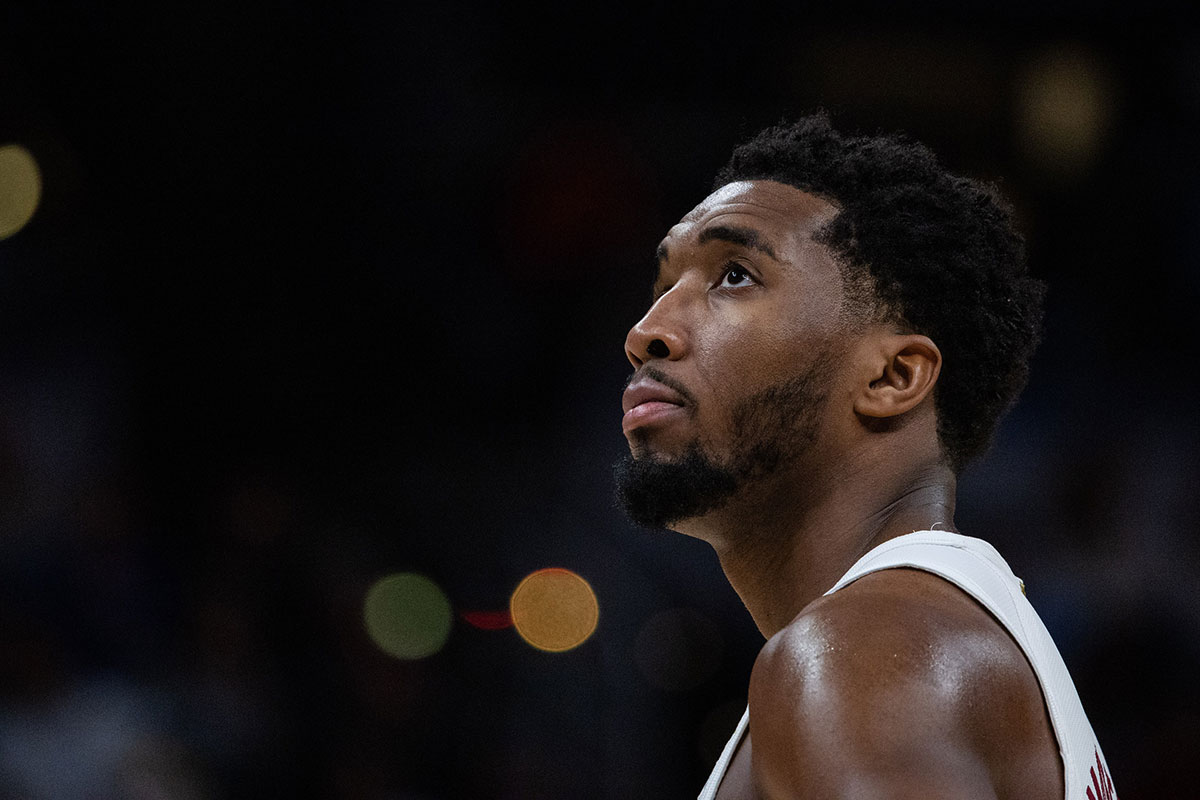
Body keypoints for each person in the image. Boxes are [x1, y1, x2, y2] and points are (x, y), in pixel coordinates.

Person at [613, 113, 1116, 800]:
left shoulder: (869, 653)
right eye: (661, 287)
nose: (647, 333)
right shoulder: (918, 642)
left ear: (892, 377)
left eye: (734, 275)